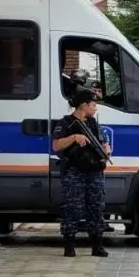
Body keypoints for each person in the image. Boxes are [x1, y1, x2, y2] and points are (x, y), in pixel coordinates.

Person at [51, 88, 111, 258]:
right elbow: (56, 146)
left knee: (96, 208)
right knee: (72, 208)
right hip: (74, 172)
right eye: (93, 105)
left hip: (94, 172)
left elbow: (102, 142)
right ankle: (69, 245)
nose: (95, 108)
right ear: (83, 105)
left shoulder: (93, 123)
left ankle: (97, 245)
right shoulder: (66, 123)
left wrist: (106, 149)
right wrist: (74, 138)